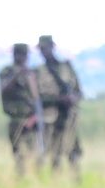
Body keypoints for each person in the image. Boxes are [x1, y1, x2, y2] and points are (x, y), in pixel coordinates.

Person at [33, 34, 81, 175]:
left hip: (69, 117)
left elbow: (78, 91)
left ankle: (75, 179)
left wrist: (72, 99)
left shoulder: (66, 67)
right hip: (50, 118)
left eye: (46, 48)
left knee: (73, 152)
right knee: (54, 154)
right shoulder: (38, 72)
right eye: (41, 49)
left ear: (52, 47)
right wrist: (58, 100)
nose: (44, 52)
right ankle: (56, 181)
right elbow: (37, 98)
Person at [0, 42, 40, 177]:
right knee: (18, 154)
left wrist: (35, 117)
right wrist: (17, 75)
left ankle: (34, 177)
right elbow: (4, 89)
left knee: (34, 152)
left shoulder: (32, 73)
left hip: (32, 120)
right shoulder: (7, 72)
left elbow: (37, 98)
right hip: (15, 119)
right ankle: (20, 177)